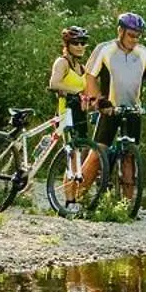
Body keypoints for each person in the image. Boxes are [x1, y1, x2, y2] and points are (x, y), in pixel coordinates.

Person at [83, 11, 146, 211]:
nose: (134, 40)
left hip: (133, 111)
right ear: (120, 31)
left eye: (137, 36)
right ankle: (76, 196)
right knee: (98, 152)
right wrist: (99, 100)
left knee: (130, 156)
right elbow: (90, 76)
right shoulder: (105, 49)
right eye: (130, 35)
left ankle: (127, 206)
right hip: (110, 109)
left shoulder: (143, 53)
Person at [48, 24, 95, 206]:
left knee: (79, 156)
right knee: (72, 155)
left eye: (83, 43)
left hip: (79, 113)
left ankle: (74, 198)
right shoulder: (62, 63)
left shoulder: (82, 68)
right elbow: (54, 83)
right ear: (67, 45)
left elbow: (86, 90)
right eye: (76, 43)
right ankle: (69, 201)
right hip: (65, 113)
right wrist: (75, 91)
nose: (81, 46)